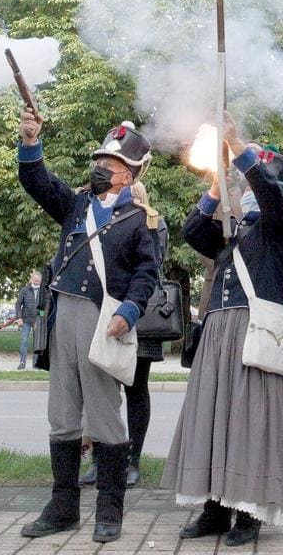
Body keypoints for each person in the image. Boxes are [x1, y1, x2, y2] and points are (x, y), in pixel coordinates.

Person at [16, 111, 158, 544]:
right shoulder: (76, 204)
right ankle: (63, 507)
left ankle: (109, 510)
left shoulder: (139, 218)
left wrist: (129, 312)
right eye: (99, 160)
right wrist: (30, 142)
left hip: (104, 321)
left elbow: (146, 274)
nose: (100, 167)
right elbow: (37, 182)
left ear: (128, 174)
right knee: (62, 414)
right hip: (64, 315)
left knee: (104, 416)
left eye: (109, 163)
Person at [162, 123, 283, 548]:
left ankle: (249, 512)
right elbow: (191, 231)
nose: (247, 184)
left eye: (250, 176)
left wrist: (239, 148)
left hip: (252, 329)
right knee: (213, 418)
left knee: (250, 423)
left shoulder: (279, 224)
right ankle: (215, 508)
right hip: (219, 327)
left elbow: (270, 194)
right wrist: (219, 185)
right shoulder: (230, 228)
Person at [80, 181, 168, 489]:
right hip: (108, 311)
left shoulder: (152, 221)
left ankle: (132, 460)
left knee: (136, 389)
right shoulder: (101, 218)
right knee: (102, 388)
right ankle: (101, 458)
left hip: (140, 318)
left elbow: (149, 267)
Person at [15, 271, 41, 369]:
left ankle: (36, 364)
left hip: (37, 321)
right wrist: (19, 318)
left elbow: (45, 306)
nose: (37, 281)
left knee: (37, 343)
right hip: (25, 320)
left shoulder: (43, 291)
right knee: (24, 341)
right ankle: (22, 362)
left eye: (38, 280)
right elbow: (18, 304)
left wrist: (40, 319)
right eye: (35, 279)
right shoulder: (24, 290)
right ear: (31, 279)